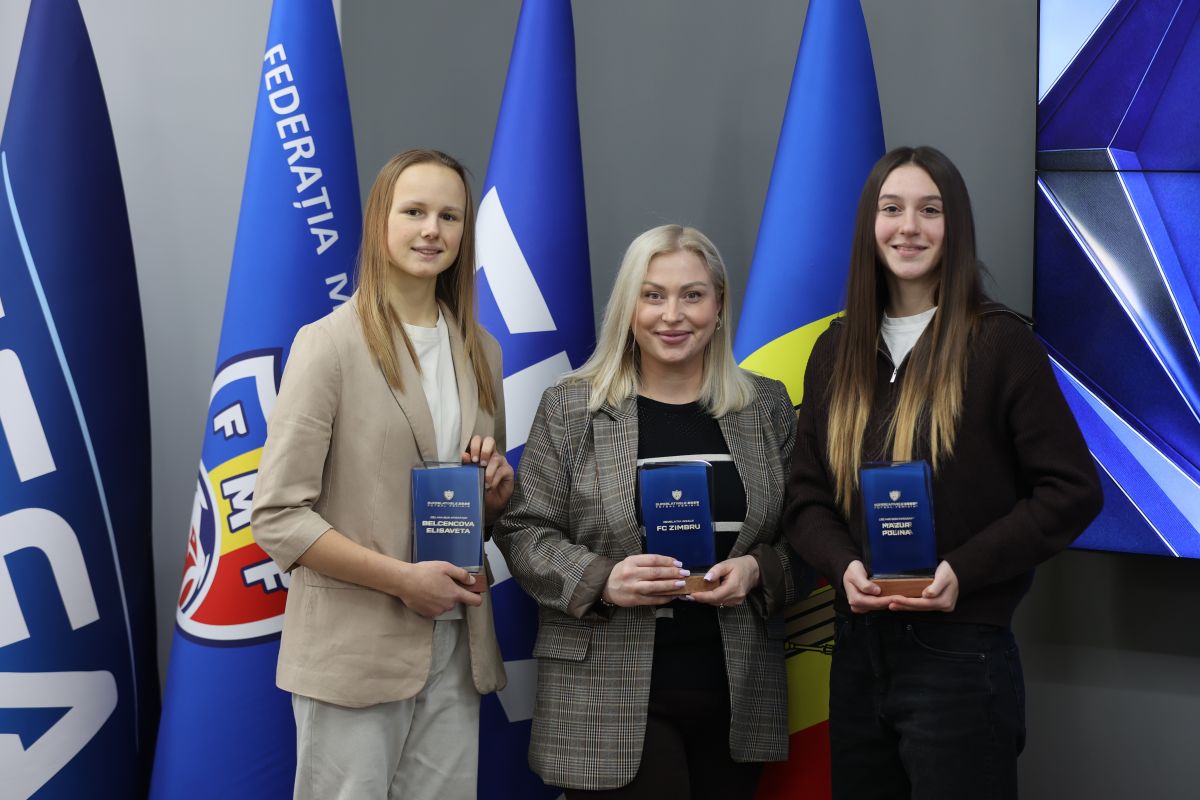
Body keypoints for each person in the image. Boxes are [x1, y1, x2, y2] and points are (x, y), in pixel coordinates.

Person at [784, 145, 1103, 799]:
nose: (909, 227)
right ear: (869, 225)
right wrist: (843, 565)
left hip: (960, 656)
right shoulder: (834, 350)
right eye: (892, 209)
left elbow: (1071, 490)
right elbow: (805, 497)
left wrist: (964, 570)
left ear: (955, 226)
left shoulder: (1001, 343)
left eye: (930, 210)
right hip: (857, 651)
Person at [493, 224, 803, 799]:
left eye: (693, 295)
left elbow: (804, 535)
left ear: (719, 305)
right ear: (628, 308)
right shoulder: (573, 405)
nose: (672, 315)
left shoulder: (766, 406)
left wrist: (759, 570)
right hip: (603, 695)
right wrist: (603, 579)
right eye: (653, 295)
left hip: (736, 694)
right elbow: (523, 531)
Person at [252, 148, 514, 800]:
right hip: (354, 652)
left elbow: (467, 511)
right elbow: (278, 517)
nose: (433, 230)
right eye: (415, 212)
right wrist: (403, 580)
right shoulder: (329, 344)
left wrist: (494, 497)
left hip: (457, 646)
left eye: (449, 216)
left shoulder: (482, 351)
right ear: (380, 222)